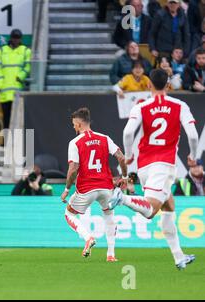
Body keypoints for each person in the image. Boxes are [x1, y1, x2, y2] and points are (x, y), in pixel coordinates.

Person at [108, 69, 199, 270]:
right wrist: (192, 156)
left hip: (145, 165)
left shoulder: (141, 106)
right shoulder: (180, 106)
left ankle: (179, 256)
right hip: (164, 164)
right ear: (168, 85)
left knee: (168, 207)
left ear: (149, 85)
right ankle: (122, 198)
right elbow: (193, 135)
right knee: (151, 210)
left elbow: (128, 132)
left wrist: (129, 154)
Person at [60, 107, 127, 262]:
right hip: (106, 187)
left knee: (69, 213)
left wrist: (67, 189)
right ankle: (111, 254)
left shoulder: (75, 142)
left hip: (87, 188)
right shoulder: (105, 138)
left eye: (74, 124)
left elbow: (73, 168)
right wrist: (124, 176)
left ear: (79, 124)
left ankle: (88, 237)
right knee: (109, 215)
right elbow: (121, 158)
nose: (73, 127)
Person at [0, 29, 31, 129]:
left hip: (18, 91)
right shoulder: (2, 50)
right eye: (14, 38)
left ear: (20, 39)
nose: (16, 40)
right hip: (5, 93)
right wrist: (0, 84)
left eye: (18, 38)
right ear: (11, 38)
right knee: (6, 119)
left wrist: (21, 76)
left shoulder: (25, 51)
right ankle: (7, 143)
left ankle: (17, 142)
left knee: (19, 120)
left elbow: (28, 66)